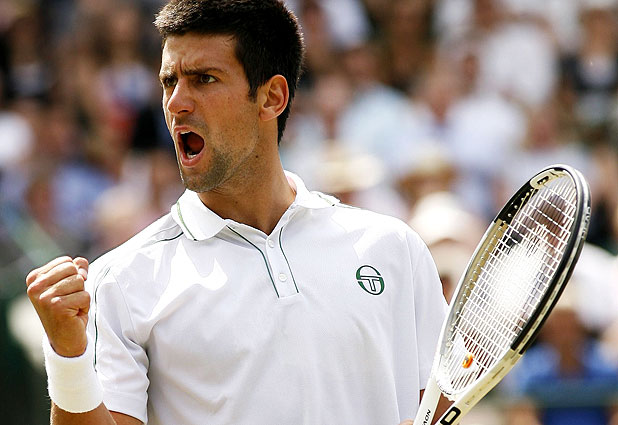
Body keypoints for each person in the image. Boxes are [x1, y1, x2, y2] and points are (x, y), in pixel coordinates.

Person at [24, 1, 449, 424]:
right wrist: (68, 358)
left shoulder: (395, 249)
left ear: (271, 97)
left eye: (203, 79)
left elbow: (437, 410)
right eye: (169, 82)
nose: (176, 103)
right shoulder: (119, 282)